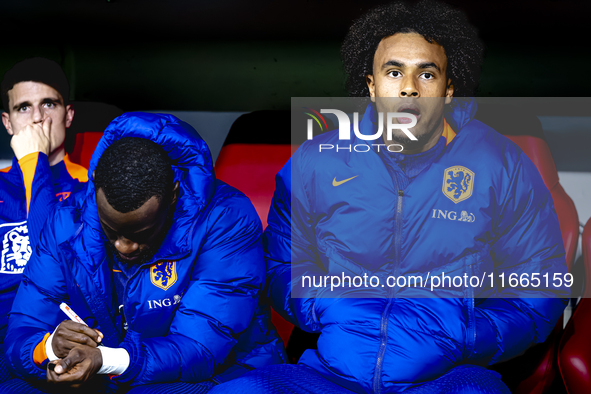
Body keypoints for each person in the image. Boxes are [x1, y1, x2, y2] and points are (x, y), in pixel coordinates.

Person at [210, 1, 568, 393]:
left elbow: (541, 286)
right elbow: (282, 264)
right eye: (394, 71)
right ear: (372, 86)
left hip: (445, 376)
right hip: (330, 372)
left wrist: (465, 333)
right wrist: (326, 308)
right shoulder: (315, 164)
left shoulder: (502, 164)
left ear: (448, 90)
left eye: (426, 74)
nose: (409, 87)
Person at [2, 113, 286, 393]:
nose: (124, 247)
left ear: (173, 196)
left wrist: (106, 360)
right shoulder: (66, 222)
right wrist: (50, 348)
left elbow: (199, 347)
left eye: (141, 234)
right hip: (110, 371)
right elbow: (24, 328)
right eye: (111, 231)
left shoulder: (226, 219)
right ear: (95, 191)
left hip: (222, 372)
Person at [0, 57, 87, 383]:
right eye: (24, 108)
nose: (37, 119)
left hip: (56, 340)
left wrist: (34, 160)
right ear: (8, 123)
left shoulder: (90, 187)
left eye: (48, 104)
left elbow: (55, 260)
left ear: (68, 115)